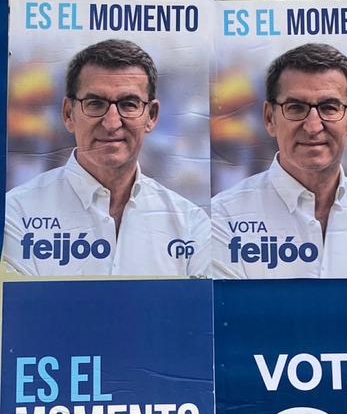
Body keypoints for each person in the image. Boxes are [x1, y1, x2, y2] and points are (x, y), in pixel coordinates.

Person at [3, 39, 208, 276]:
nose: (111, 123)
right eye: (95, 103)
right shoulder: (16, 213)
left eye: (129, 104)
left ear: (151, 116)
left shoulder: (190, 224)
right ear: (68, 114)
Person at [210, 43, 347, 279]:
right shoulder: (223, 218)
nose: (313, 127)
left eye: (329, 108)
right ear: (269, 118)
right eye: (296, 108)